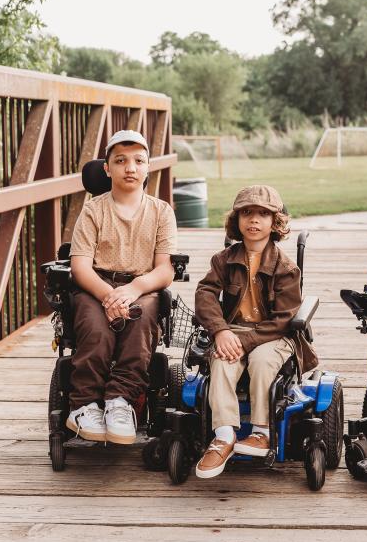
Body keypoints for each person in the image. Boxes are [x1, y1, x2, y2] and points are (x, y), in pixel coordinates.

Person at [193, 185, 319, 479]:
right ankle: (224, 436)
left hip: (274, 334)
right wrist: (220, 331)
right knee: (221, 361)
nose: (253, 220)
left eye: (262, 214)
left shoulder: (285, 268)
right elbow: (206, 293)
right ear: (236, 220)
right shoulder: (223, 260)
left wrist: (247, 340)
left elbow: (285, 317)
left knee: (262, 361)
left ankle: (261, 431)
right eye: (246, 213)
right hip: (233, 329)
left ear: (275, 222)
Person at [66, 130, 178, 445]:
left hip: (142, 285)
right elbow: (80, 267)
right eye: (120, 161)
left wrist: (134, 288)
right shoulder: (93, 210)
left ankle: (121, 401)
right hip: (96, 284)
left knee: (141, 324)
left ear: (147, 168)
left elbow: (165, 267)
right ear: (107, 168)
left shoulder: (161, 211)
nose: (130, 168)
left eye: (138, 161)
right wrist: (107, 295)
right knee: (96, 329)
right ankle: (84, 404)